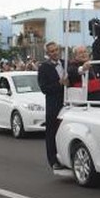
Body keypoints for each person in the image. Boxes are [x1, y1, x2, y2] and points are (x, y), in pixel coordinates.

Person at [37, 41, 70, 173]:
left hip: (68, 102)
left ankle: (65, 157)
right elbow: (44, 88)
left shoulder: (65, 63)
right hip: (53, 104)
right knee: (52, 132)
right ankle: (53, 160)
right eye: (52, 51)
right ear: (47, 53)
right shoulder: (44, 67)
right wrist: (59, 83)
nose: (55, 52)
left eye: (56, 50)